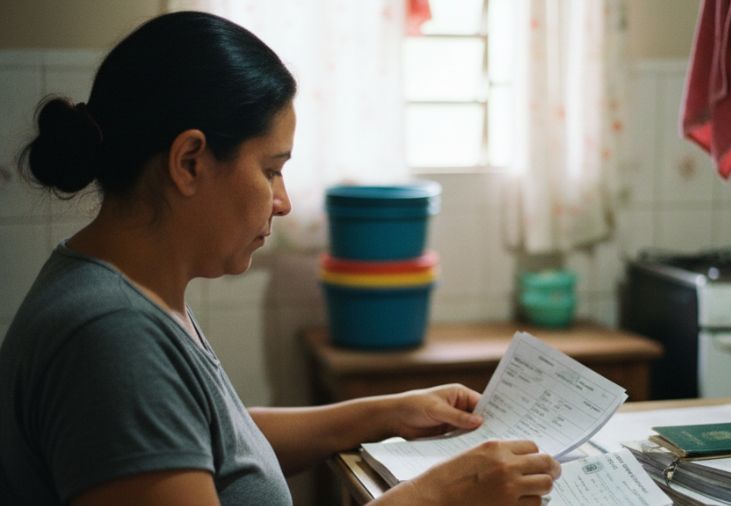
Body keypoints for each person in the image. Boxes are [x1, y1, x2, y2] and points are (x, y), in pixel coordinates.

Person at [0, 11, 560, 506]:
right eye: (271, 170)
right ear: (190, 161)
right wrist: (438, 495)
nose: (284, 201)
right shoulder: (111, 338)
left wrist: (385, 413)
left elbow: (218, 440)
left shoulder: (128, 294)